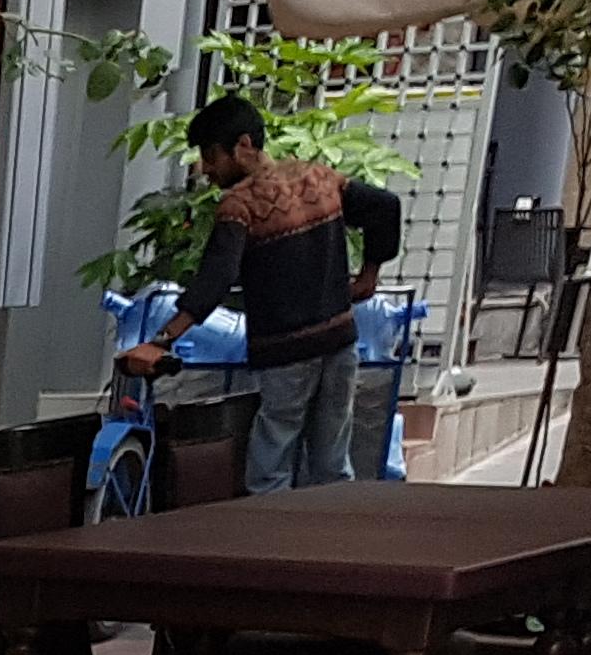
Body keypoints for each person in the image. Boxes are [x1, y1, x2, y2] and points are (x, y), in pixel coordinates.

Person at [116, 94, 404, 494]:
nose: (207, 169)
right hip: (340, 343)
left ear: (244, 145)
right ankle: (329, 548)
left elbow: (216, 277)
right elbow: (386, 206)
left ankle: (268, 547)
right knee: (332, 465)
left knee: (271, 467)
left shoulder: (240, 205)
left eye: (212, 155)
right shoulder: (321, 179)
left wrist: (162, 340)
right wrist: (369, 274)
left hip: (285, 352)